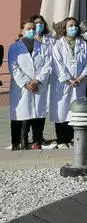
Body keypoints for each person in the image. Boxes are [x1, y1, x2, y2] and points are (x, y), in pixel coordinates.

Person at [9, 20, 53, 150]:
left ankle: (37, 140)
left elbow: (48, 65)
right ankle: (18, 143)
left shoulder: (43, 47)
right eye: (28, 28)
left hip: (38, 85)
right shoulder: (14, 47)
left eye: (33, 28)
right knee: (21, 115)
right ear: (22, 30)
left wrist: (37, 81)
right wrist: (26, 83)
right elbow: (14, 67)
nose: (32, 31)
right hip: (22, 87)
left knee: (38, 114)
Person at [47, 17, 87, 148]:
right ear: (64, 28)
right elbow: (57, 64)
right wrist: (68, 79)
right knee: (61, 111)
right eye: (70, 26)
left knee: (75, 112)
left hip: (79, 82)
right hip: (62, 84)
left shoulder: (83, 44)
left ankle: (71, 139)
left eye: (75, 25)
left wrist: (81, 78)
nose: (74, 28)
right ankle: (61, 140)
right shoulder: (57, 45)